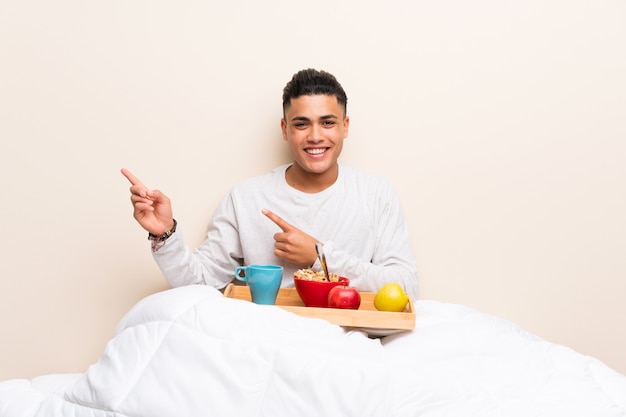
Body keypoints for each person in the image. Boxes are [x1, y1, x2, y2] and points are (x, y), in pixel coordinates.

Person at [122, 68, 419, 299]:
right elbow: (200, 283)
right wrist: (166, 234)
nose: (315, 135)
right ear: (284, 129)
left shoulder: (376, 194)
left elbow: (406, 287)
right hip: (265, 338)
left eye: (327, 122)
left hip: (348, 334)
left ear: (345, 127)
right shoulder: (245, 198)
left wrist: (319, 257)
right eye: (301, 124)